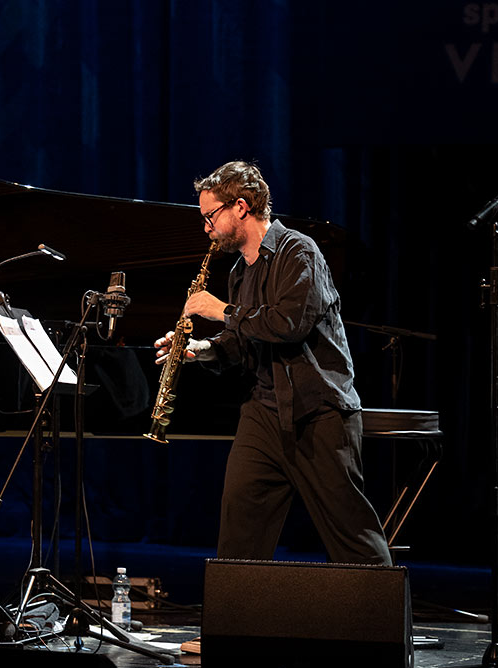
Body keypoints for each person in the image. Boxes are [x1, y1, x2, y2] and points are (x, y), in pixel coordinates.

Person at [155, 161, 391, 566]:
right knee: (239, 530)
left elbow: (287, 325)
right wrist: (199, 349)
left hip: (319, 412)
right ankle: (231, 629)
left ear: (241, 207)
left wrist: (221, 310)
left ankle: (383, 628)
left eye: (210, 216)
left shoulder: (299, 251)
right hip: (265, 413)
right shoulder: (238, 273)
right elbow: (240, 344)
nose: (206, 227)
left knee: (351, 533)